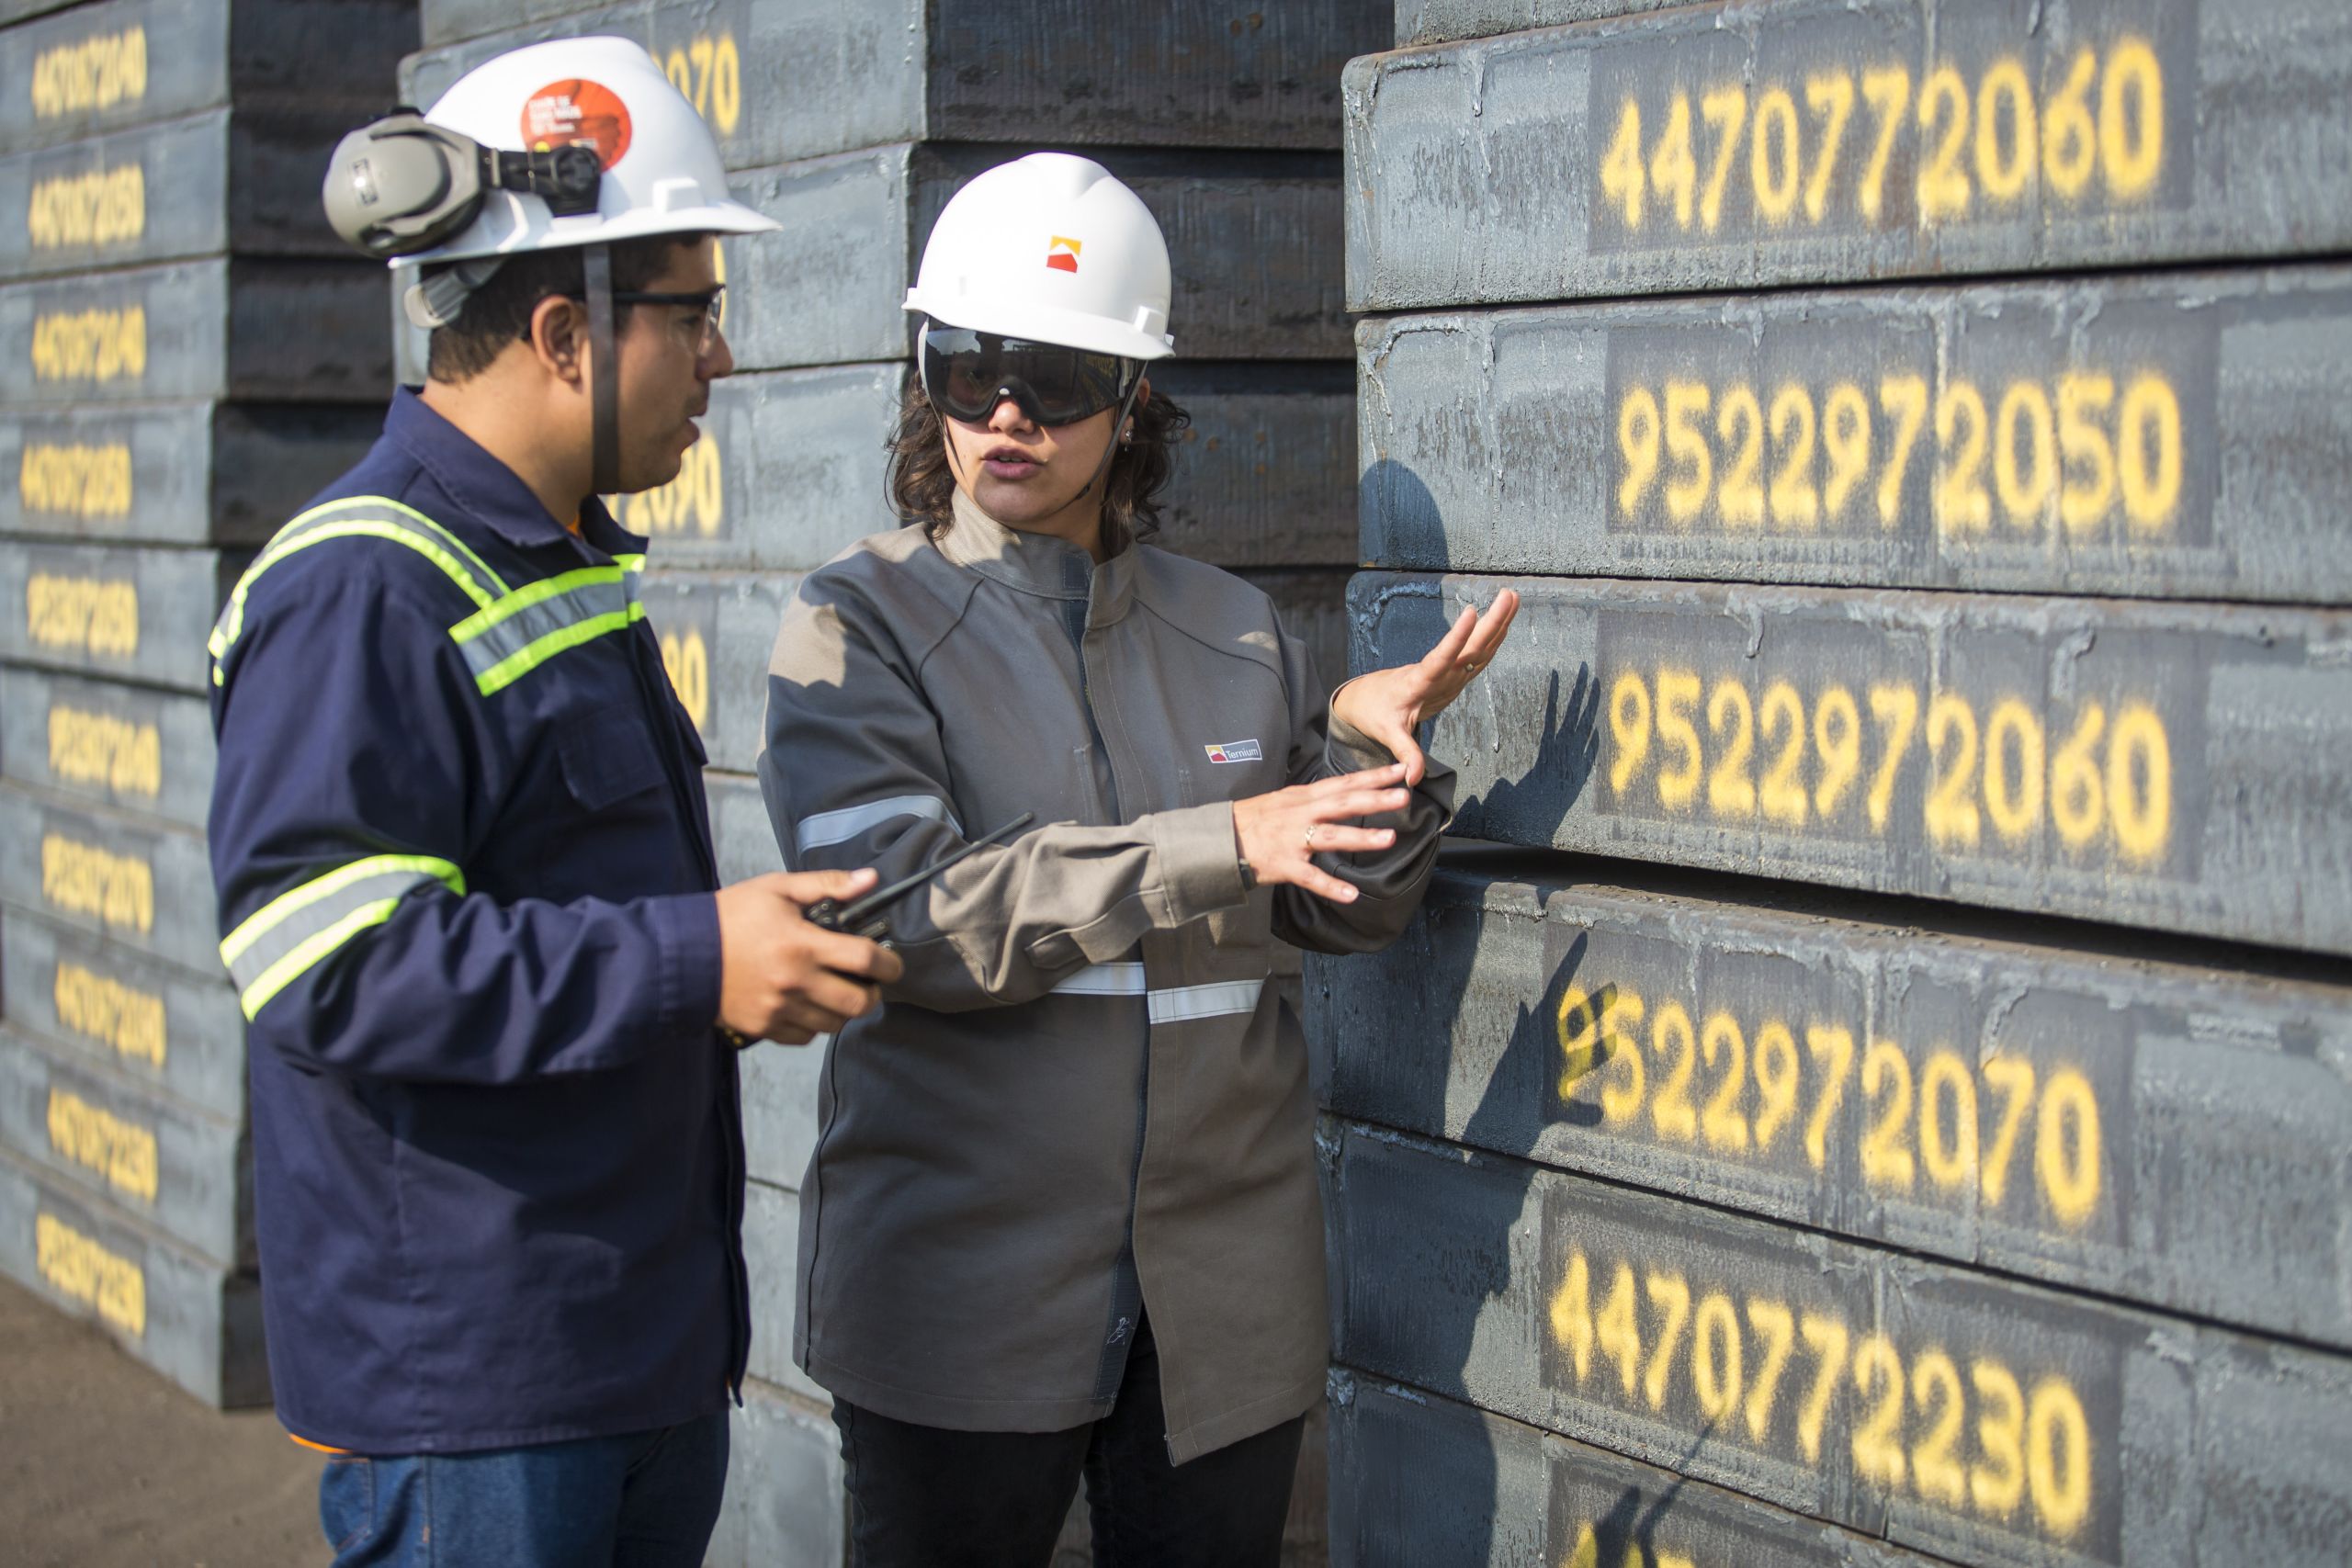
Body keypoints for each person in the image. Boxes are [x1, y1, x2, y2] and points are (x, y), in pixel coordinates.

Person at [759, 152, 1520, 1566]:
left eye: (1051, 376)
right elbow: (903, 918)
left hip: (1220, 1308)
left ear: (1132, 399)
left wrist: (1378, 767)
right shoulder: (854, 627)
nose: (1003, 412)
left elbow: (1339, 916)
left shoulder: (1229, 631)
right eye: (966, 363)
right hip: (963, 1302)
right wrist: (1222, 840)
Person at [207, 38, 902, 1567]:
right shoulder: (360, 592)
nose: (719, 357)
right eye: (694, 312)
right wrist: (695, 961)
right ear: (562, 329)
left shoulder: (557, 562)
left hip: (623, 1349)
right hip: (480, 1396)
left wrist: (731, 968)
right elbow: (323, 962)